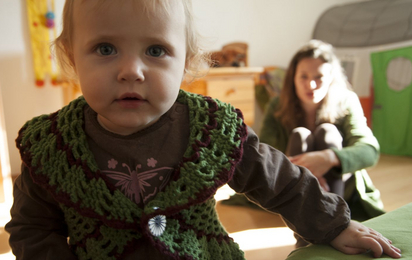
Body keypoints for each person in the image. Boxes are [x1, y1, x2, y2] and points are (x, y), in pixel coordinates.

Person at [5, 1, 401, 259]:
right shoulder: (50, 146)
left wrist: (333, 224)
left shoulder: (211, 129)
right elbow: (32, 228)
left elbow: (279, 179)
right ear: (72, 57)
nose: (132, 71)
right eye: (106, 48)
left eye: (155, 51)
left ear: (186, 62)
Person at [259, 40, 386, 246]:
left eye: (319, 77)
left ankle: (335, 224)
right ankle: (307, 232)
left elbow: (369, 150)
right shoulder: (277, 105)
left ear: (331, 78)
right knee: (299, 135)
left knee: (328, 132)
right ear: (293, 78)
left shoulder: (346, 100)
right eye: (304, 77)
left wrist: (329, 158)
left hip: (343, 190)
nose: (311, 84)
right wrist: (307, 171)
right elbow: (264, 153)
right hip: (296, 185)